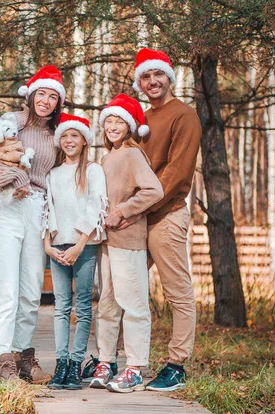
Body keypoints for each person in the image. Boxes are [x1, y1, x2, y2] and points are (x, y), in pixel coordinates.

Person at [0, 64, 65, 383]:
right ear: (30, 95)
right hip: (5, 206)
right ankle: (3, 361)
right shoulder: (10, 122)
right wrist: (15, 176)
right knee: (5, 288)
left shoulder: (53, 135)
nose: (46, 100)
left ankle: (23, 356)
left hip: (36, 210)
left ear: (58, 103)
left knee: (30, 290)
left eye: (53, 96)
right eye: (41, 93)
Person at [123, 48, 202, 391]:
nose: (152, 82)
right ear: (139, 82)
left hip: (165, 215)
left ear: (169, 77)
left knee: (177, 292)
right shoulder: (141, 120)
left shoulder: (184, 115)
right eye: (145, 77)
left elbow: (176, 172)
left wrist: (138, 208)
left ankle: (176, 365)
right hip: (138, 216)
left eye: (158, 75)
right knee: (126, 289)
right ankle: (125, 362)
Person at [90, 93, 163, 393]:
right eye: (109, 120)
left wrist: (123, 210)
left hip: (129, 240)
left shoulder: (133, 155)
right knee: (107, 304)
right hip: (105, 242)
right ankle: (106, 361)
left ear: (130, 126)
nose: (113, 125)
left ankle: (134, 368)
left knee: (133, 305)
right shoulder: (107, 157)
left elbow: (153, 191)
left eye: (119, 120)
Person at [43, 113, 107, 390]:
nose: (69, 140)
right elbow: (47, 209)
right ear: (60, 142)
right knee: (61, 308)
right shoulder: (53, 174)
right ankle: (60, 363)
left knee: (82, 307)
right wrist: (47, 245)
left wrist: (80, 244)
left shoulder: (93, 170)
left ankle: (75, 364)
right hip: (57, 247)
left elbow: (96, 205)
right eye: (65, 136)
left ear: (84, 141)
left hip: (85, 247)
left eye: (75, 136)